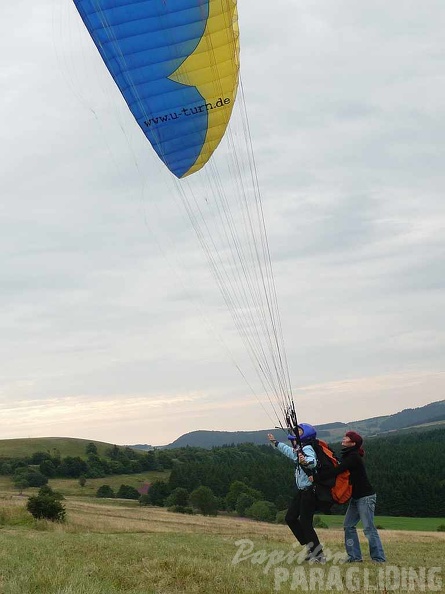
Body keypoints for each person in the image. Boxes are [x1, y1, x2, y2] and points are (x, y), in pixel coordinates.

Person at [314, 430, 386, 563]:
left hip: (365, 497)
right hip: (357, 497)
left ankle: (379, 559)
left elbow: (336, 471)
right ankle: (354, 557)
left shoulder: (353, 457)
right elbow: (336, 463)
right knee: (348, 526)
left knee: (369, 528)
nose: (343, 438)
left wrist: (316, 477)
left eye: (346, 437)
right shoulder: (349, 455)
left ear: (353, 443)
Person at [268, 424, 325, 562]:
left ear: (306, 434)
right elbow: (290, 452)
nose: (296, 433)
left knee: (305, 523)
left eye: (299, 431)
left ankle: (318, 554)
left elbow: (313, 461)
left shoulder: (307, 448)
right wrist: (276, 443)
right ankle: (311, 548)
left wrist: (306, 461)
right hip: (302, 492)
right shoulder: (299, 449)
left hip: (309, 492)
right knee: (290, 518)